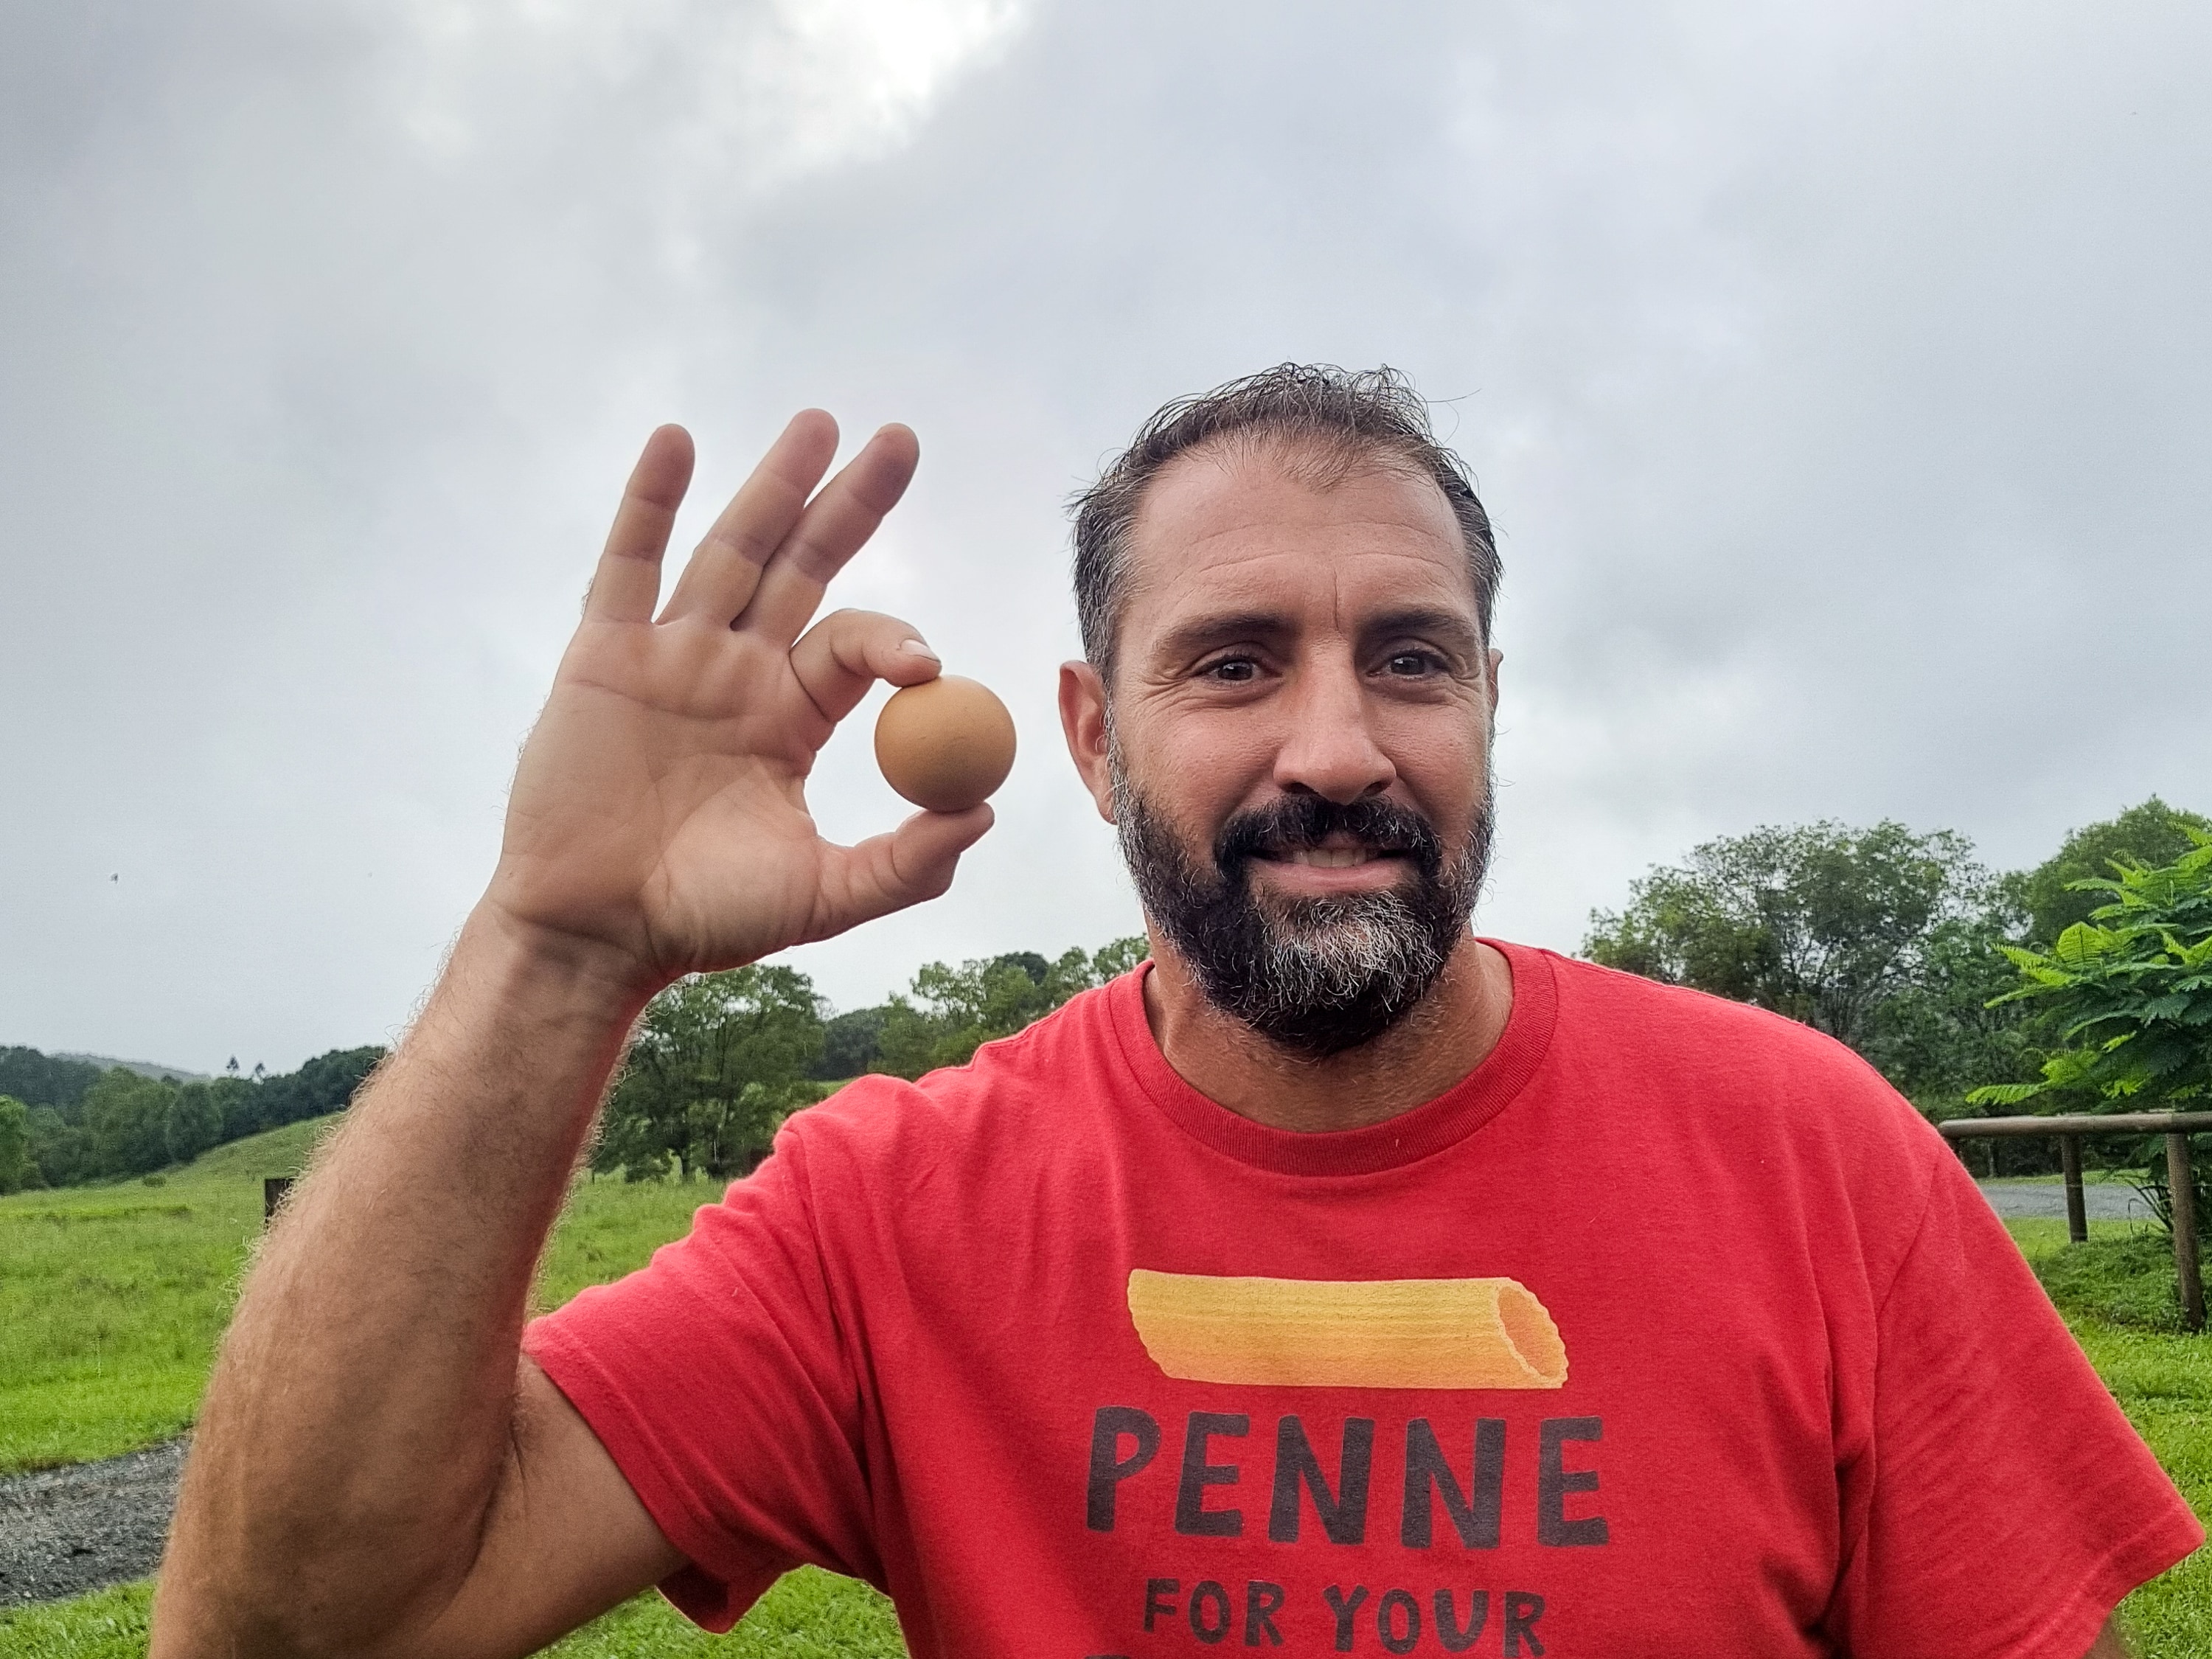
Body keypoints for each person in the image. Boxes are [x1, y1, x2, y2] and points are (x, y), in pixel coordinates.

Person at [153, 366, 2197, 1659]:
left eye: (1411, 658)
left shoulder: (1809, 1149)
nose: (1334, 745)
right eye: (1230, 663)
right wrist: (554, 943)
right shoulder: (893, 1217)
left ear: (1492, 705)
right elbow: (294, 1626)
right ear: (1089, 737)